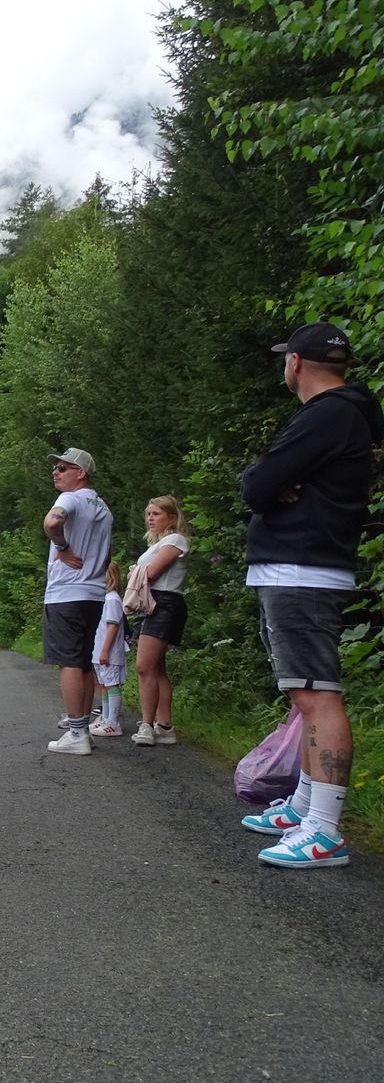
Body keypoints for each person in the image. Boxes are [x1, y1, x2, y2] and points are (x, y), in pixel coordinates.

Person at [238, 323, 383, 869]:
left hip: (303, 566)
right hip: (299, 567)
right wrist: (271, 479)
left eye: (284, 360)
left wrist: (268, 481)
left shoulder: (328, 414)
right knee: (305, 692)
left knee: (317, 693)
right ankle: (304, 807)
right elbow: (267, 480)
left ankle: (323, 830)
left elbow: (255, 485)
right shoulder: (342, 415)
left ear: (295, 363)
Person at [42, 448, 113, 757]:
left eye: (63, 467)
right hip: (94, 594)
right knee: (84, 662)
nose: (55, 472)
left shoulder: (70, 499)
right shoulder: (103, 507)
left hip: (67, 592)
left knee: (69, 662)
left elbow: (51, 522)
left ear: (80, 473)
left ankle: (75, 733)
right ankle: (83, 729)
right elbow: (107, 554)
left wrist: (62, 547)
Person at [131, 495, 191, 746]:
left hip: (165, 603)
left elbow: (153, 572)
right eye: (148, 514)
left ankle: (146, 725)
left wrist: (136, 571)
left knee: (144, 666)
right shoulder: (157, 545)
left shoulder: (175, 540)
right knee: (156, 668)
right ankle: (165, 725)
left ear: (172, 517)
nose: (150, 519)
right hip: (155, 603)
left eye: (156, 514)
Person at [89, 560, 128, 738]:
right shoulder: (103, 598)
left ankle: (113, 722)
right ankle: (105, 718)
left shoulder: (112, 599)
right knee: (103, 684)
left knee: (111, 684)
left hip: (108, 651)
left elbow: (112, 626)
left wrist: (105, 650)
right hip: (99, 650)